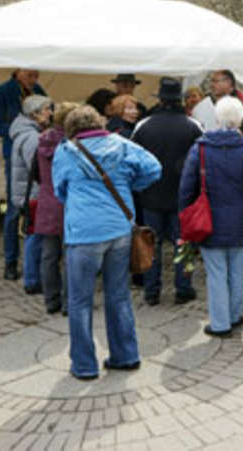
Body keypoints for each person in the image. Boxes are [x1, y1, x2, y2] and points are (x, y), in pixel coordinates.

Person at [52, 105, 162, 380]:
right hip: (119, 228)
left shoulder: (66, 151)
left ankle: (84, 365)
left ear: (71, 129)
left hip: (83, 232)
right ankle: (126, 355)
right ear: (99, 122)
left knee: (80, 301)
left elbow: (59, 190)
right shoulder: (121, 144)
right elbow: (154, 168)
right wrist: (130, 183)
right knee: (119, 295)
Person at [179, 96, 243, 337]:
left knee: (216, 273)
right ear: (241, 119)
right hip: (240, 218)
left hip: (209, 219)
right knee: (237, 272)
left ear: (216, 118)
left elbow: (187, 187)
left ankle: (220, 323)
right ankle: (234, 315)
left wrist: (185, 213)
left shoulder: (201, 148)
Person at [129, 77, 202, 306]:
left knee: (151, 244)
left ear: (160, 99)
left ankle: (151, 290)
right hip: (183, 195)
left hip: (151, 194)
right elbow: (201, 161)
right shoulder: (193, 126)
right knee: (183, 242)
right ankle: (183, 288)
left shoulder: (143, 126)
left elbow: (133, 160)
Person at [0, 69, 46, 281]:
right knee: (14, 208)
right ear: (18, 72)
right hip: (15, 153)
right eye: (30, 75)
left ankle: (37, 260)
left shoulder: (38, 90)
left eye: (36, 75)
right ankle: (10, 261)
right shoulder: (2, 92)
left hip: (37, 149)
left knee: (37, 205)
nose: (34, 79)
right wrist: (18, 130)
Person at [34, 101, 79, 315]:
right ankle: (70, 302)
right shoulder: (74, 144)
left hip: (48, 200)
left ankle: (51, 300)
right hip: (70, 200)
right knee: (71, 254)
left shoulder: (43, 140)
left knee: (49, 254)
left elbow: (35, 172)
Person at [9, 94, 54, 294]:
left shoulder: (27, 133)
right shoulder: (32, 137)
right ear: (35, 114)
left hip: (30, 193)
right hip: (34, 194)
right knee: (35, 237)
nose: (50, 113)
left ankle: (33, 278)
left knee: (34, 235)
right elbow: (37, 167)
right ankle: (33, 280)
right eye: (47, 109)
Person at [209, 69, 243, 138]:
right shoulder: (214, 100)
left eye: (215, 81)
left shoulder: (238, 106)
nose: (212, 85)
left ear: (229, 83)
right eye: (211, 81)